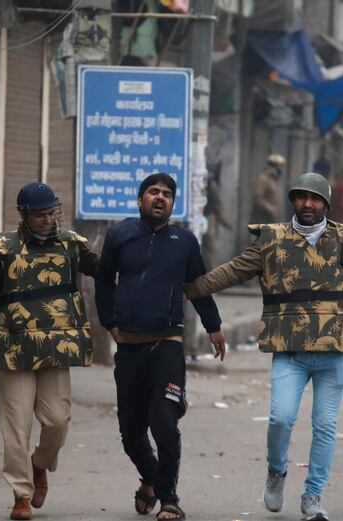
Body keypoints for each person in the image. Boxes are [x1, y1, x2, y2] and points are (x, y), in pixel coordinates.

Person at [185, 172, 343, 521]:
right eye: (301, 197)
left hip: (334, 351)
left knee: (324, 425)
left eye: (315, 198)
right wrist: (186, 288)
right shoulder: (270, 240)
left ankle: (313, 496)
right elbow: (230, 272)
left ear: (325, 204)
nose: (308, 204)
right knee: (281, 419)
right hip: (289, 351)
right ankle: (277, 471)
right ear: (293, 201)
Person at [95, 173, 226, 521]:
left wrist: (214, 327)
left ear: (172, 203)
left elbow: (197, 286)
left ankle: (169, 498)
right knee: (130, 434)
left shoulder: (184, 241)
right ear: (140, 200)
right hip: (130, 349)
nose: (160, 197)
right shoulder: (119, 235)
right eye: (153, 192)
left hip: (167, 345)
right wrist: (109, 323)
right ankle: (150, 478)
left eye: (167, 194)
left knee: (164, 423)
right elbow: (104, 281)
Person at [0, 182, 99, 520]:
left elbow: (104, 268)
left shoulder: (70, 243)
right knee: (17, 427)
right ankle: (21, 495)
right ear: (24, 215)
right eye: (40, 214)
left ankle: (40, 464)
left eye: (51, 213)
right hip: (13, 349)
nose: (47, 219)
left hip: (56, 348)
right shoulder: (1, 248)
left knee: (57, 421)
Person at [250, 153, 286, 224]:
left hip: (271, 220)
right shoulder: (263, 178)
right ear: (275, 166)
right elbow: (258, 199)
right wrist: (271, 209)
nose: (282, 169)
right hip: (261, 220)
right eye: (280, 166)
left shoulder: (275, 179)